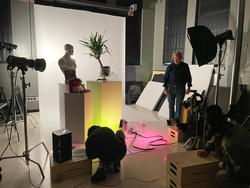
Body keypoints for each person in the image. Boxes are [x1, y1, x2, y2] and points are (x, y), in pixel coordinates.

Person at [197, 105, 250, 188]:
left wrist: (224, 165)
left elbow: (241, 171)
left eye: (209, 125)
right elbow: (217, 136)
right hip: (239, 158)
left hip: (245, 171)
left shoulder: (230, 143)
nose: (208, 127)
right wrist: (207, 149)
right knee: (214, 155)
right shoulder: (227, 125)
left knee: (221, 176)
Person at [163, 51, 192, 125]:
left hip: (181, 88)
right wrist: (165, 88)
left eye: (177, 59)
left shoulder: (185, 66)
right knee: (171, 105)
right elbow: (166, 77)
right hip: (171, 88)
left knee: (179, 105)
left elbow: (189, 77)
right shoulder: (170, 66)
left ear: (181, 58)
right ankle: (171, 119)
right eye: (174, 59)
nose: (175, 60)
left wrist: (189, 87)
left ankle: (176, 121)